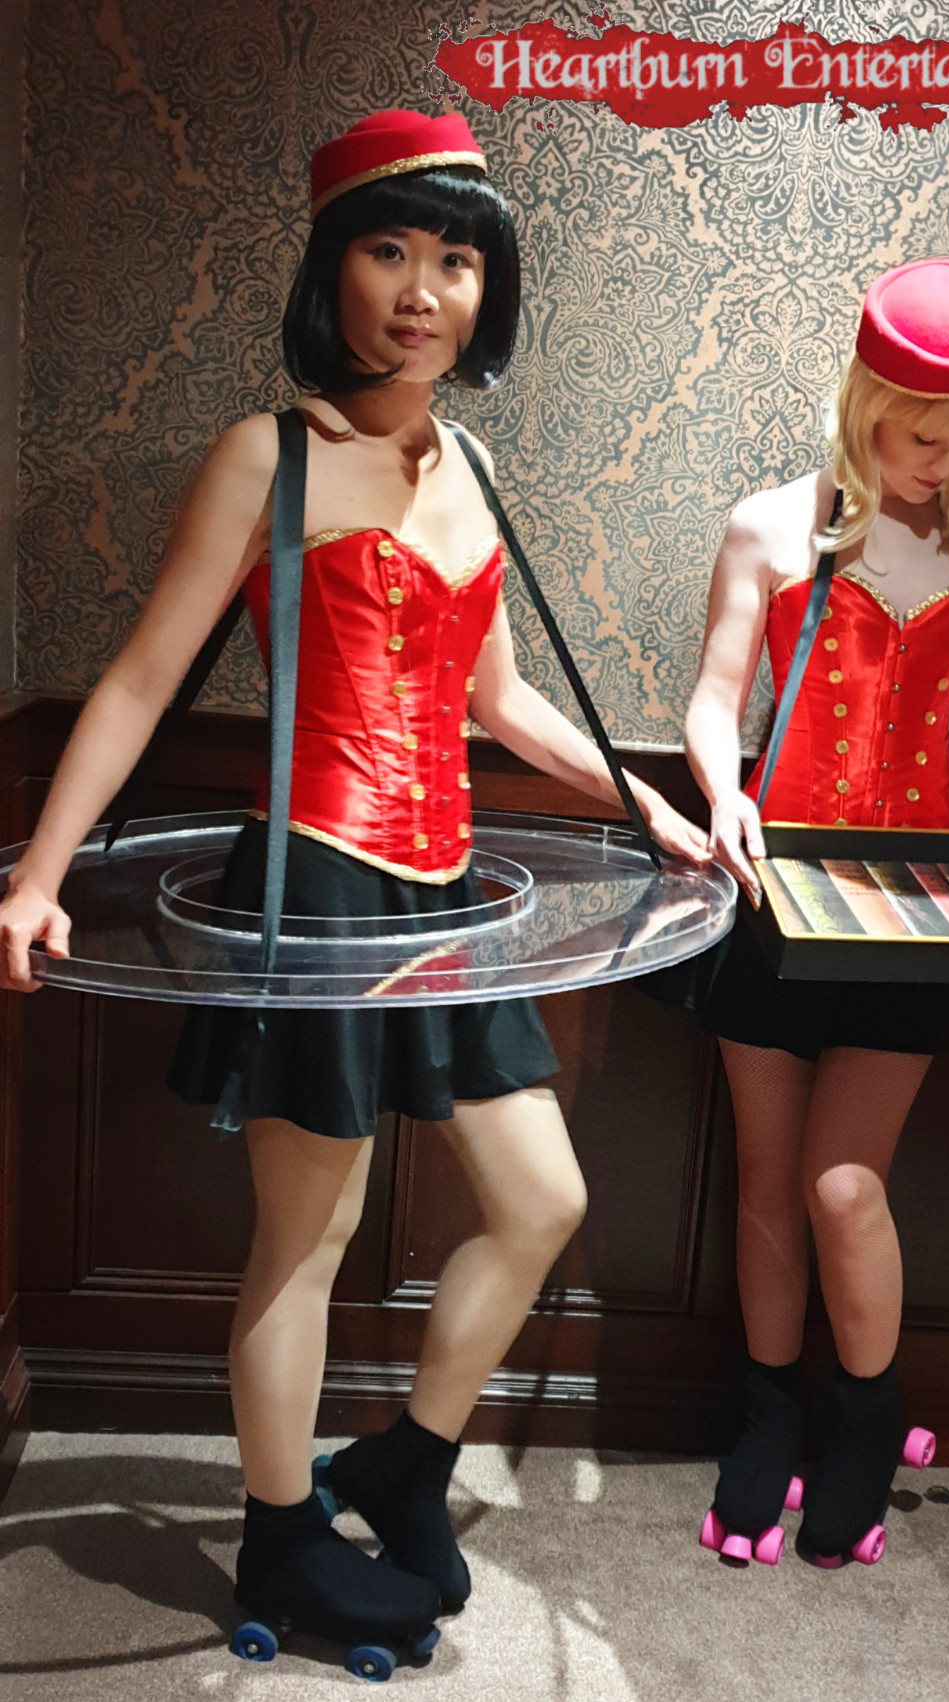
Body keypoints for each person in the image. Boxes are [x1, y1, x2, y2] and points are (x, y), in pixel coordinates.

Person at [0, 108, 706, 1663]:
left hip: (444, 890)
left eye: (456, 259)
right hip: (313, 888)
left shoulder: (475, 464)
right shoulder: (266, 455)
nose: (421, 290)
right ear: (332, 271)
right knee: (307, 1239)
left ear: (485, 289)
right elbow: (140, 679)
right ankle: (278, 1540)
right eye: (388, 250)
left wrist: (646, 803)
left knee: (542, 1199)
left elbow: (498, 701)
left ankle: (403, 1461)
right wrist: (38, 875)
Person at [669, 258, 949, 1568]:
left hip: (917, 906)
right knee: (767, 1181)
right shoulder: (771, 526)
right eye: (921, 434)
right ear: (865, 402)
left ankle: (863, 1418)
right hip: (777, 885)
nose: (941, 462)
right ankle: (769, 1414)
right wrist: (721, 791)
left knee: (841, 1181)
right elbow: (715, 699)